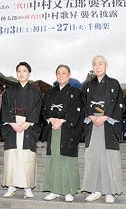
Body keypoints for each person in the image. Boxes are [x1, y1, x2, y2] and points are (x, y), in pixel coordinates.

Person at [80, 56, 125, 203]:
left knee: (107, 159)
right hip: (92, 124)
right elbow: (84, 104)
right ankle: (95, 190)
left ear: (106, 65)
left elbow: (120, 104)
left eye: (101, 63)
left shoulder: (114, 83)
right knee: (93, 158)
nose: (98, 66)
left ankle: (109, 191)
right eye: (95, 64)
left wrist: (105, 117)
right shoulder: (87, 85)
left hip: (108, 124)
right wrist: (92, 117)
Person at [41, 65, 83, 202]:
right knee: (54, 159)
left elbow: (76, 111)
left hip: (68, 130)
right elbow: (45, 109)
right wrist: (51, 119)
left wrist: (62, 121)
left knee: (66, 161)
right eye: (58, 73)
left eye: (64, 73)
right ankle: (54, 190)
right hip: (53, 130)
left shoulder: (76, 93)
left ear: (69, 75)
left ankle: (68, 191)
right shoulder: (49, 93)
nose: (61, 75)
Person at [1, 62, 42, 198]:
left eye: (24, 71)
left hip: (28, 126)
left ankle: (27, 187)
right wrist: (13, 123)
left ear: (29, 73)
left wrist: (28, 122)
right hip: (13, 126)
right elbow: (5, 109)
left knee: (27, 157)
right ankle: (11, 186)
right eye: (19, 71)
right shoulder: (9, 91)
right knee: (12, 156)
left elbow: (37, 108)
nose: (21, 73)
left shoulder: (36, 92)